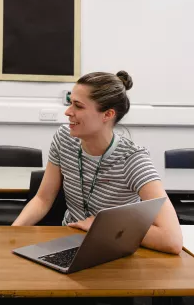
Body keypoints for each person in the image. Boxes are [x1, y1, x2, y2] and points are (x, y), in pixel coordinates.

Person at [13, 71, 183, 255]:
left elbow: (171, 239)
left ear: (108, 114)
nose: (68, 112)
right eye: (70, 103)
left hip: (112, 248)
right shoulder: (64, 139)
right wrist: (14, 230)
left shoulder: (133, 159)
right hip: (67, 242)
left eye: (78, 106)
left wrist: (103, 226)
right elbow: (42, 199)